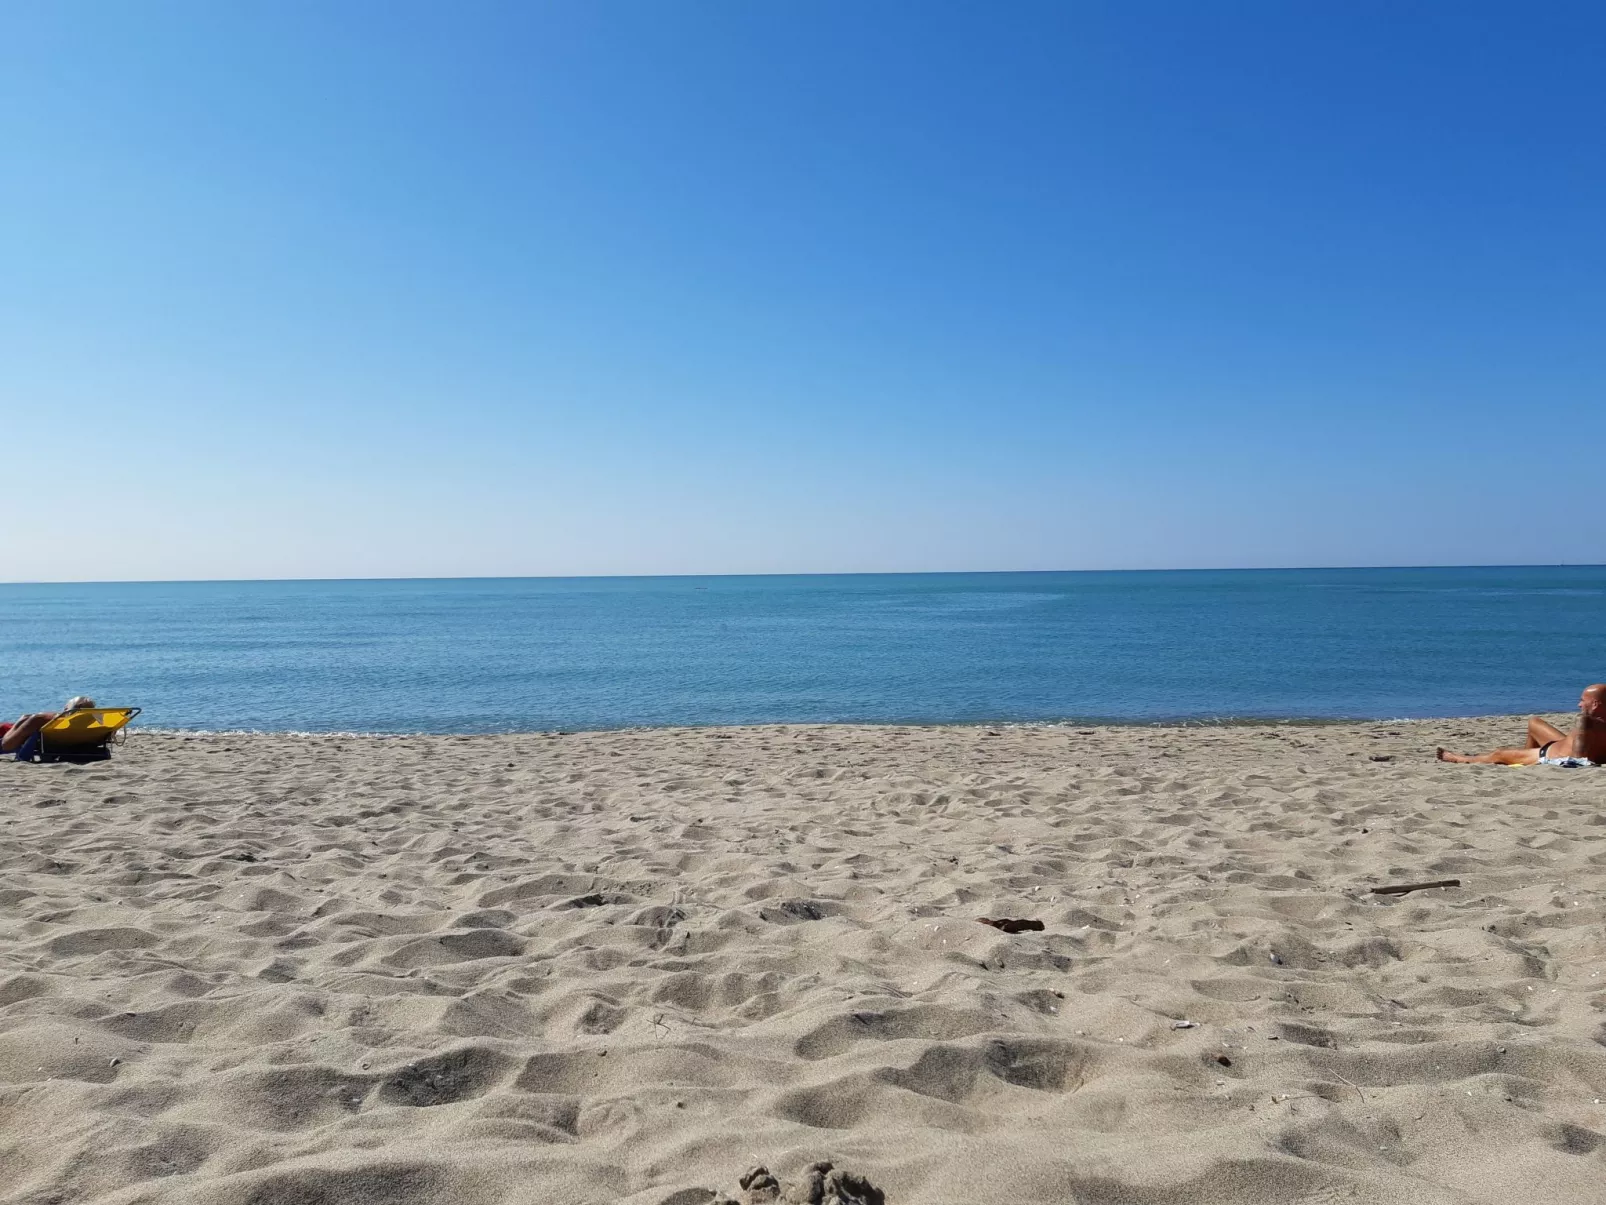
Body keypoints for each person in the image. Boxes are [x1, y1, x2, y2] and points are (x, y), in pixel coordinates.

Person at [1437, 684, 1606, 766]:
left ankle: (1460, 759)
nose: (1579, 705)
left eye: (1583, 701)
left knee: (1498, 754)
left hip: (1550, 753)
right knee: (1534, 722)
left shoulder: (1586, 721)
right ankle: (1523, 754)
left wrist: (1577, 762)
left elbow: (1577, 759)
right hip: (1562, 743)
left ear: (1596, 704)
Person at [0, 696, 96, 754]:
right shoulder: (95, 727)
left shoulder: (40, 719)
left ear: (68, 710)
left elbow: (7, 745)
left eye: (66, 706)